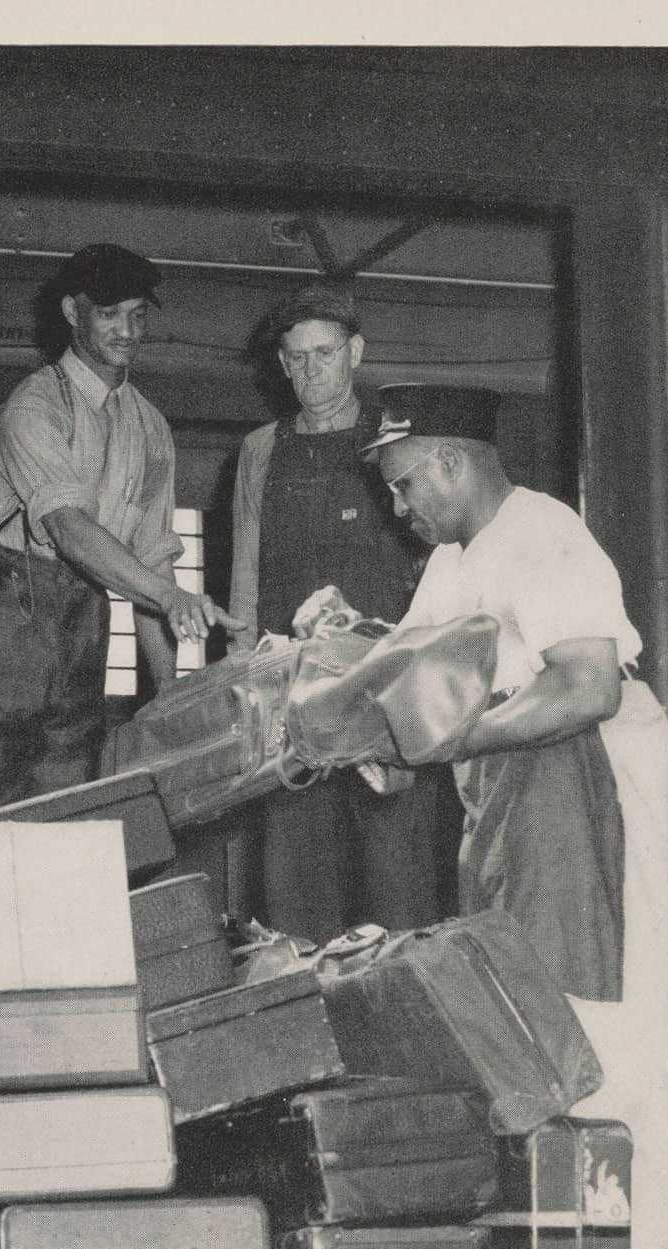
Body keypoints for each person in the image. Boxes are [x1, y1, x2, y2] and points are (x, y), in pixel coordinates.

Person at [329, 383, 668, 1249]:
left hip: (587, 781)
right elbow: (404, 697)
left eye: (406, 485)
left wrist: (450, 739)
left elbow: (586, 687)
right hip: (514, 794)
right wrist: (340, 672)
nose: (399, 510)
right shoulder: (455, 560)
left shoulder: (543, 535)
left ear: (450, 460)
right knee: (524, 1009)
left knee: (601, 1014)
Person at [0, 242, 245, 821]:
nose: (127, 330)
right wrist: (165, 595)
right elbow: (70, 530)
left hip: (81, 615)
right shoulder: (35, 406)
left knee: (66, 812)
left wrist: (168, 692)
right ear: (73, 313)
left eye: (138, 315)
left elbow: (152, 565)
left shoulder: (150, 427)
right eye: (109, 313)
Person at [229, 282, 446, 939]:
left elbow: (440, 566)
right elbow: (245, 574)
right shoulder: (260, 449)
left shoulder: (396, 440)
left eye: (323, 354)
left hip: (384, 704)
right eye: (295, 359)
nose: (309, 371)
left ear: (355, 352)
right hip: (293, 707)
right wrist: (244, 693)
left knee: (397, 888)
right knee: (296, 893)